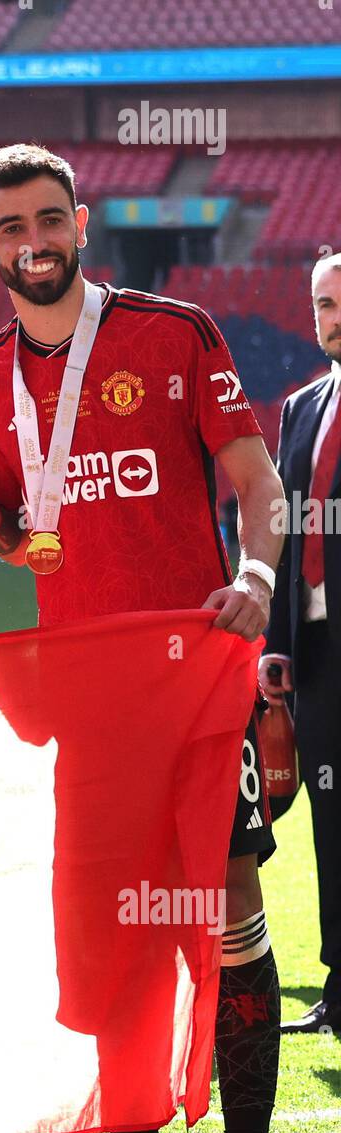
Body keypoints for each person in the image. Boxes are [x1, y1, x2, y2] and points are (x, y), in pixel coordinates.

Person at [0, 143, 285, 1133]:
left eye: (49, 219)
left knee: (224, 911)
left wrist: (258, 573)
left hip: (192, 688)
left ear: (80, 223)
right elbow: (14, 535)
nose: (32, 242)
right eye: (9, 227)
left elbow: (256, 482)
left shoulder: (172, 334)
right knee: (108, 933)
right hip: (88, 705)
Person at [262, 252, 341, 1036]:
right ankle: (339, 986)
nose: (333, 317)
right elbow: (281, 532)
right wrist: (275, 642)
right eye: (324, 304)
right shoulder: (301, 409)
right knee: (329, 817)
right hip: (314, 654)